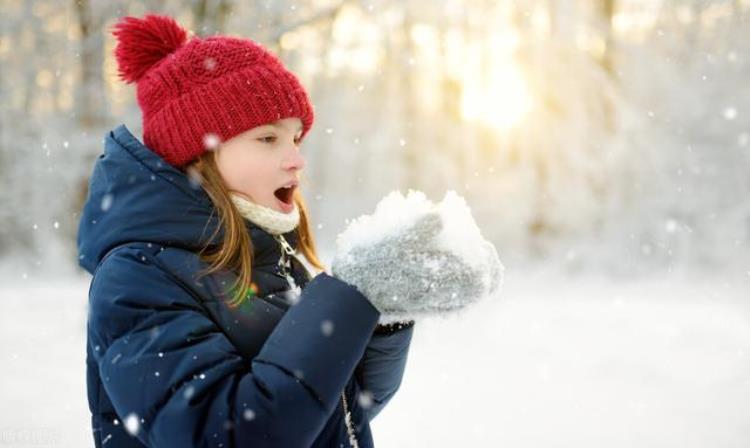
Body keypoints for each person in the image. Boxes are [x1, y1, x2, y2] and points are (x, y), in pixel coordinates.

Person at [78, 13, 495, 448]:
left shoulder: (266, 254)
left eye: (296, 138)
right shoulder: (138, 277)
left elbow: (338, 409)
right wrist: (345, 299)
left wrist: (382, 313)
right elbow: (231, 434)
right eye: (268, 139)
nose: (297, 159)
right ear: (198, 154)